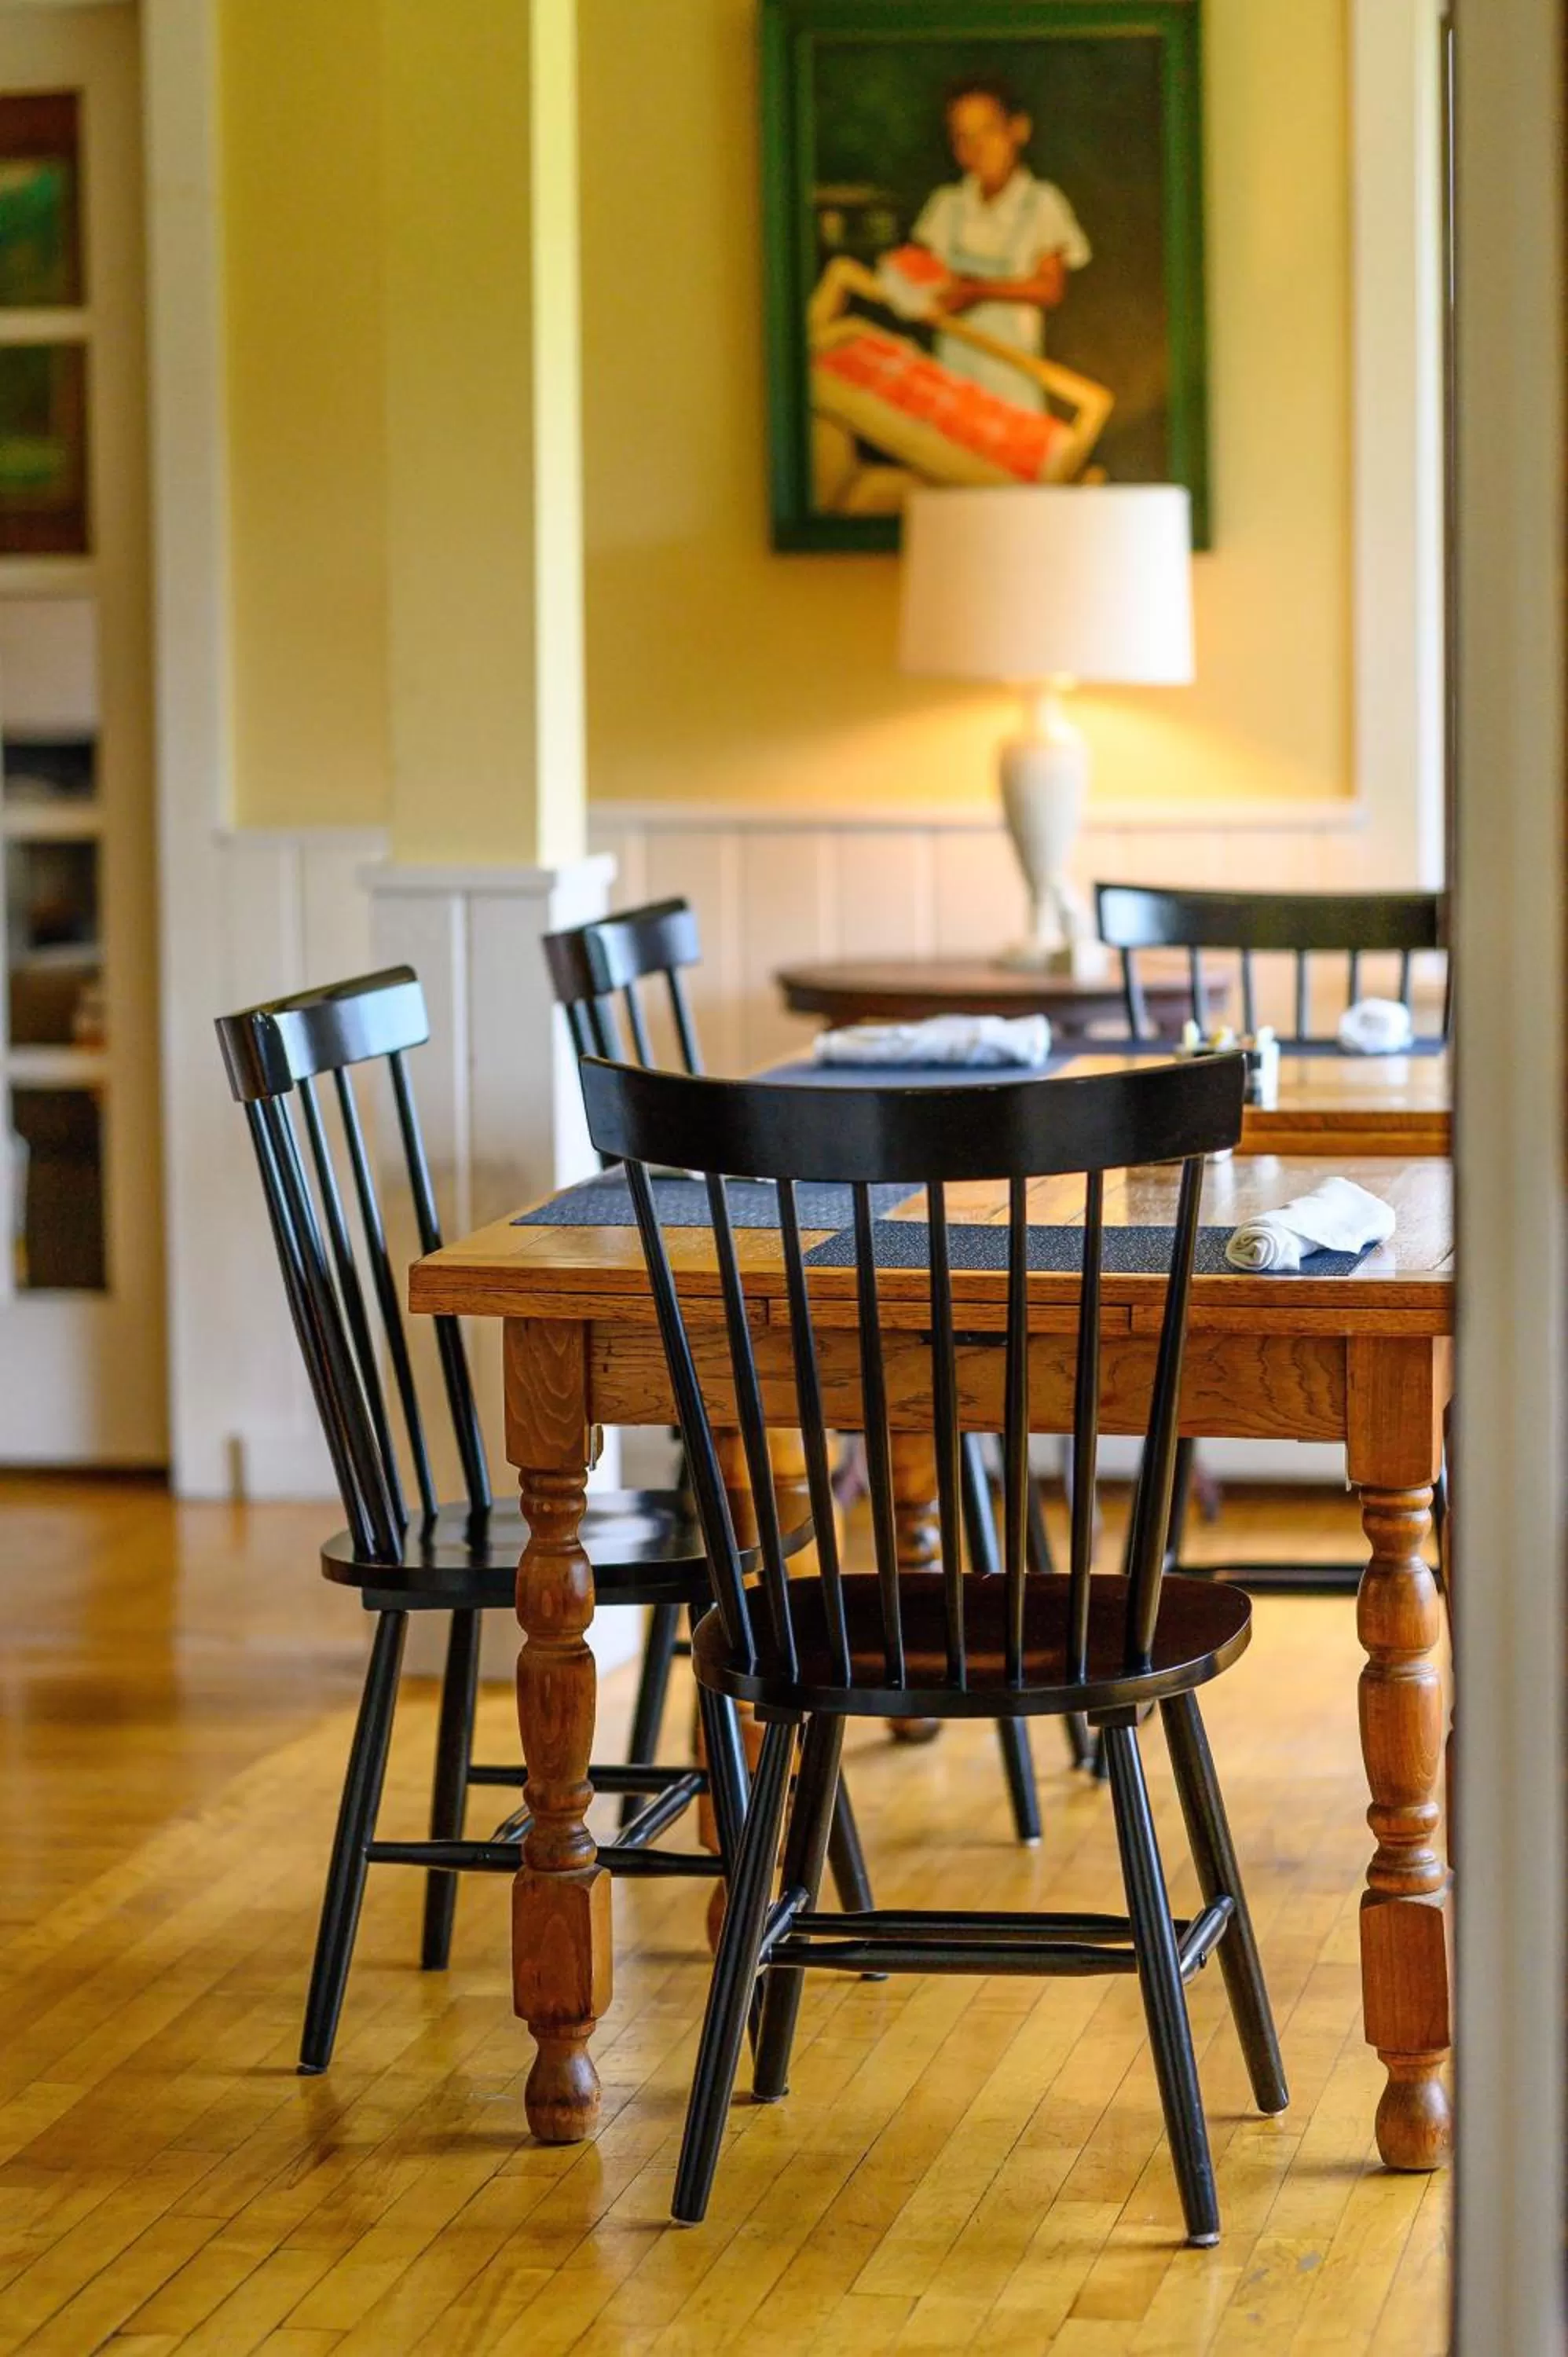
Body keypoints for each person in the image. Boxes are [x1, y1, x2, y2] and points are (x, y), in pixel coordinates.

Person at [908, 75, 1090, 412]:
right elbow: (912, 277)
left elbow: (1049, 288)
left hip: (1013, 382)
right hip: (951, 379)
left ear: (1018, 130)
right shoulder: (946, 206)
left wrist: (976, 290)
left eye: (988, 131)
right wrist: (915, 293)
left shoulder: (1041, 203)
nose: (977, 148)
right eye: (964, 138)